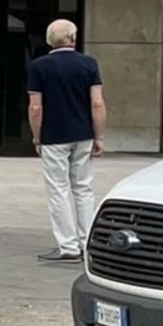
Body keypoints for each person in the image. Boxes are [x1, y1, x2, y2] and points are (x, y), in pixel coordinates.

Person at [28, 18, 106, 263]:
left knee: (58, 190)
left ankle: (68, 246)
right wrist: (99, 135)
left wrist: (37, 137)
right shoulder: (89, 64)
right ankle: (87, 244)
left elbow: (36, 107)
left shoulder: (39, 66)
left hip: (53, 136)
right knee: (83, 188)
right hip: (83, 134)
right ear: (73, 38)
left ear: (51, 40)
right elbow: (97, 102)